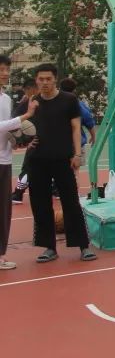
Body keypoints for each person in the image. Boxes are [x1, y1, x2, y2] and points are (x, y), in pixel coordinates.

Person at [26, 63, 96, 262]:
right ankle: (49, 247)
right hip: (37, 160)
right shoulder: (33, 102)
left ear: (55, 79)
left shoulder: (69, 100)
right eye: (41, 79)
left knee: (71, 202)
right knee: (40, 204)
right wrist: (25, 141)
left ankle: (83, 245)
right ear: (36, 80)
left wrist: (77, 154)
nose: (45, 83)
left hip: (63, 159)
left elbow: (76, 128)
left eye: (48, 79)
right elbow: (21, 125)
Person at [0, 55, 22, 269]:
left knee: (3, 210)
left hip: (4, 160)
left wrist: (15, 140)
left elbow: (6, 129)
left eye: (7, 69)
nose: (5, 73)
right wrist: (24, 117)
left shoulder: (6, 99)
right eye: (1, 69)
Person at [10, 78, 38, 204]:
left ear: (30, 89)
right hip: (48, 141)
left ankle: (18, 194)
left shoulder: (29, 102)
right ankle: (56, 190)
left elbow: (14, 118)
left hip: (37, 142)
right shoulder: (47, 100)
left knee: (28, 168)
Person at [59, 78, 96, 149]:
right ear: (74, 90)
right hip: (76, 145)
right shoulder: (79, 105)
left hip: (59, 145)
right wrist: (93, 136)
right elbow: (89, 121)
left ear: (60, 89)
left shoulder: (54, 103)